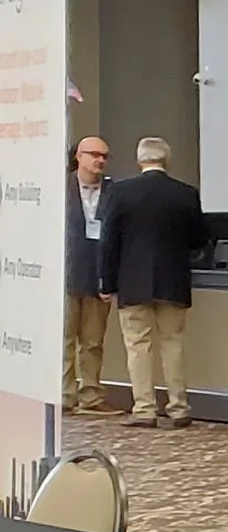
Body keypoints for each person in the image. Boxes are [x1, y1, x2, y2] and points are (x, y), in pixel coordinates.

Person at [99, 134, 211, 428]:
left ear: (139, 160)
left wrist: (106, 283)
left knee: (138, 346)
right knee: (173, 344)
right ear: (167, 160)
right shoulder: (186, 193)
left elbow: (108, 242)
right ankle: (179, 407)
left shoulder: (120, 193)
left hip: (132, 282)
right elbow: (200, 238)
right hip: (173, 280)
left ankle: (145, 409)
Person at [63, 133, 113, 412]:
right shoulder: (60, 188)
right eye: (94, 154)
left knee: (93, 340)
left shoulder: (112, 190)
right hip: (66, 273)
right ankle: (65, 395)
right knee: (65, 338)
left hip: (98, 273)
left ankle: (91, 394)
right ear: (78, 157)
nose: (100, 160)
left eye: (104, 156)